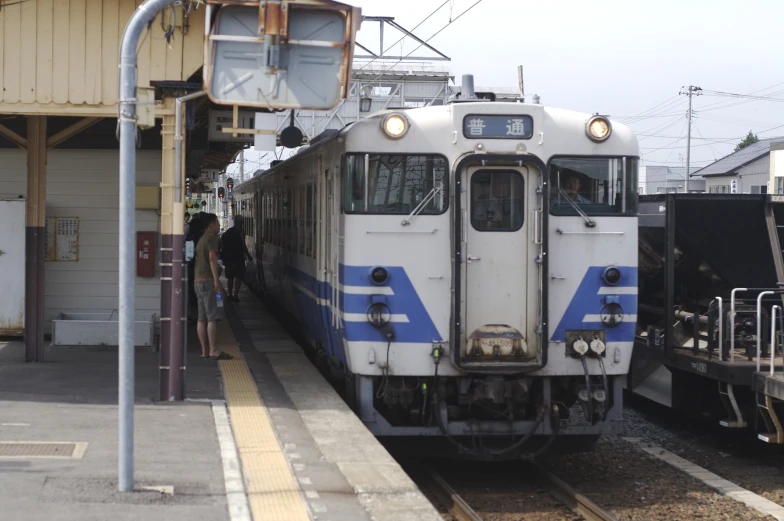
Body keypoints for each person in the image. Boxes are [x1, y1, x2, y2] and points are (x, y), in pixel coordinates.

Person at [194, 213, 232, 360]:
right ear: (210, 225)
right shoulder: (212, 238)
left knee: (201, 318)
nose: (218, 225)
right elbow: (212, 258)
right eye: (217, 222)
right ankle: (213, 350)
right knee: (212, 317)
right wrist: (217, 281)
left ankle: (204, 351)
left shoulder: (201, 239)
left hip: (198, 282)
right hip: (208, 280)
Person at [220, 215, 253, 302]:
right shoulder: (241, 232)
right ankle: (235, 295)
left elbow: (222, 244)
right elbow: (243, 245)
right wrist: (248, 255)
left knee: (230, 277)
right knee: (238, 277)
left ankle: (230, 294)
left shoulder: (228, 232)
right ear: (241, 222)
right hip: (238, 258)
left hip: (229, 258)